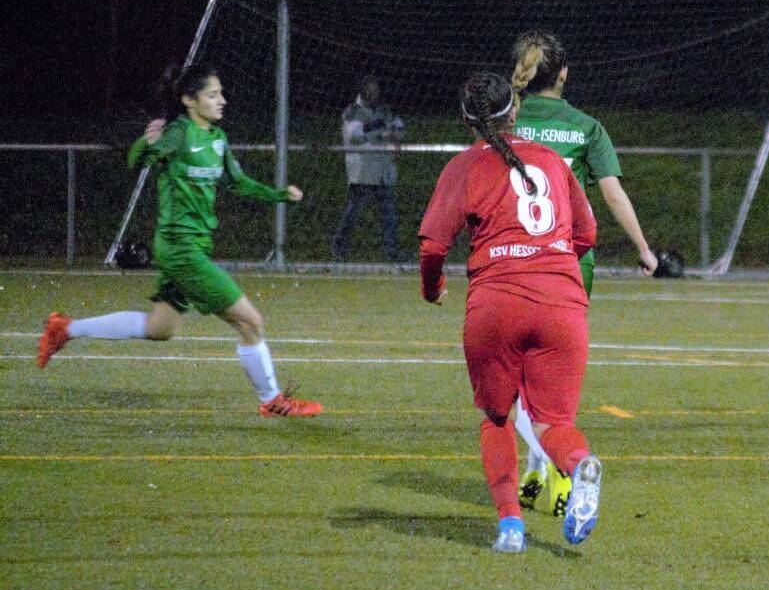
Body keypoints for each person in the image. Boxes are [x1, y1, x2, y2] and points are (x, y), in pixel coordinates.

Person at [36, 63, 322, 417]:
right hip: (180, 248)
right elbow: (136, 161)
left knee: (160, 328)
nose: (222, 100)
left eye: (221, 93)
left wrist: (279, 195)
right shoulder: (178, 133)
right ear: (190, 100)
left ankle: (65, 328)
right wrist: (146, 140)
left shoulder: (217, 138)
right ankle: (272, 399)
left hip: (194, 246)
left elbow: (238, 184)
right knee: (250, 321)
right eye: (213, 95)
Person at [418, 71, 603, 552]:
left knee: (497, 417)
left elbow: (433, 246)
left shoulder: (464, 166)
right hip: (562, 303)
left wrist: (433, 289)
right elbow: (587, 233)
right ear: (514, 110)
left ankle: (511, 528)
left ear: (466, 120)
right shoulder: (552, 161)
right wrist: (552, 263)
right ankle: (580, 464)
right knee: (554, 424)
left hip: (496, 303)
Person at [505, 30, 659, 515]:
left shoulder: (506, 119)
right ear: (564, 75)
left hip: (512, 259)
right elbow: (612, 194)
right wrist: (644, 249)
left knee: (514, 380)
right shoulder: (587, 127)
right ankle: (547, 466)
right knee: (553, 375)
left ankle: (546, 467)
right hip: (570, 263)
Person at [332, 75, 407, 262]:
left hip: (382, 170)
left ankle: (392, 250)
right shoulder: (353, 111)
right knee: (354, 211)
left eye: (376, 89)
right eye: (370, 89)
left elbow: (399, 129)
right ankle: (338, 247)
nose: (374, 93)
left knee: (389, 214)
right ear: (363, 90)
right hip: (363, 171)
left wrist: (387, 134)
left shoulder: (385, 110)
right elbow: (355, 135)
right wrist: (381, 134)